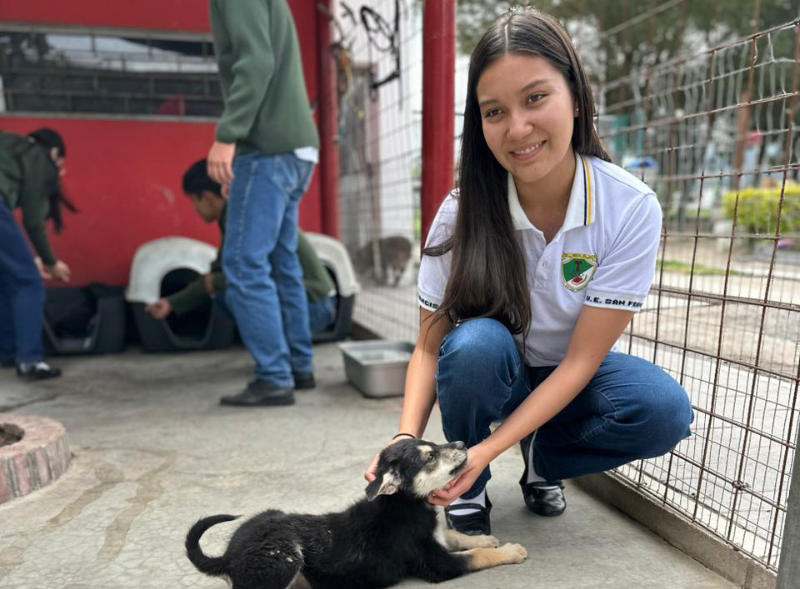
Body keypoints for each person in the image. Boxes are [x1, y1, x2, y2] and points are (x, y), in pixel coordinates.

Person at [365, 8, 694, 536]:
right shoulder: (460, 211)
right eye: (495, 111)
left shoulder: (629, 208)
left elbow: (581, 362)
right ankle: (467, 483)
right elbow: (429, 348)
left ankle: (542, 459)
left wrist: (492, 447)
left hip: (569, 374)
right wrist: (406, 438)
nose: (518, 128)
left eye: (536, 98)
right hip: (498, 371)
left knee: (662, 409)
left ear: (576, 96)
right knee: (474, 346)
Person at [206, 0, 320, 407]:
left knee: (243, 263)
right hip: (297, 149)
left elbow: (255, 63)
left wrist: (228, 134)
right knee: (282, 261)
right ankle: (299, 366)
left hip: (267, 149)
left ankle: (274, 377)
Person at [145, 159, 337, 344]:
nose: (194, 209)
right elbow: (221, 270)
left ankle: (276, 358)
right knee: (228, 293)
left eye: (194, 201)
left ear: (207, 197)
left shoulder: (241, 216)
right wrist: (173, 303)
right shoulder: (237, 212)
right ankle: (280, 351)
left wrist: (214, 282)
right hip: (310, 300)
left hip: (314, 305)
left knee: (233, 295)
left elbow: (243, 273)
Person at [0, 128, 75, 381]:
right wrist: (51, 262)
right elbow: (34, 221)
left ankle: (8, 352)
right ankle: (30, 361)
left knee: (6, 278)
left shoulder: (9, 144)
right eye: (60, 164)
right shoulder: (38, 156)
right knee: (28, 281)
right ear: (54, 153)